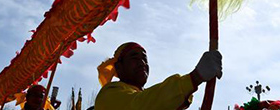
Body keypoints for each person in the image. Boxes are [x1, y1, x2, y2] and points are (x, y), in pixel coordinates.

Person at [94, 42, 222, 110]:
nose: (142, 62)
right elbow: (140, 105)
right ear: (119, 67)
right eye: (134, 57)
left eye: (144, 58)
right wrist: (195, 77)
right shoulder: (108, 94)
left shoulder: (150, 98)